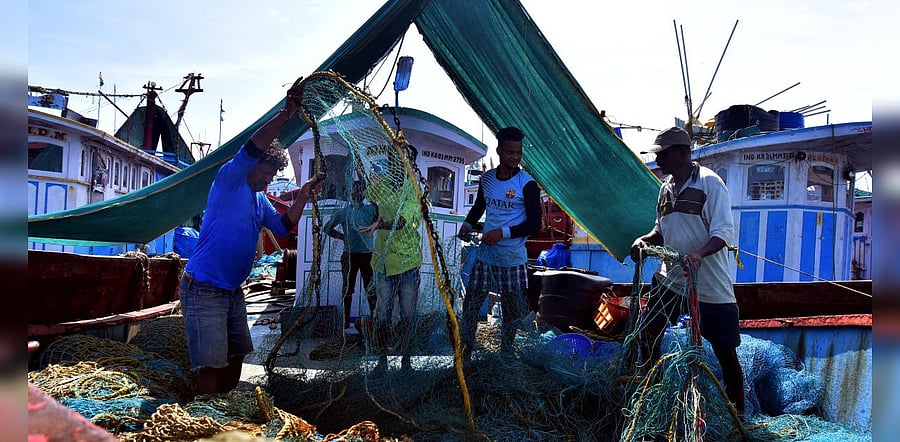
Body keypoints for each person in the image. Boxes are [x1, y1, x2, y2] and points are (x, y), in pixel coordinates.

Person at [180, 81, 324, 396]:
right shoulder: (230, 179)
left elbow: (284, 227)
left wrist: (304, 194)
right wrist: (285, 114)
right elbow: (252, 147)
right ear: (252, 166)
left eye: (273, 176)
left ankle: (226, 409)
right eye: (266, 173)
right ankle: (206, 415)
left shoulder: (259, 199)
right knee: (212, 364)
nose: (269, 179)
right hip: (203, 288)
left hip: (231, 291)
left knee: (236, 355)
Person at [630, 126, 745, 414]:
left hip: (708, 284)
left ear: (682, 153)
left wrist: (698, 255)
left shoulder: (710, 183)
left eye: (663, 155)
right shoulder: (664, 187)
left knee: (725, 352)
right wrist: (644, 240)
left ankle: (738, 415)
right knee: (648, 332)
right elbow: (661, 230)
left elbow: (723, 233)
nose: (659, 161)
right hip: (671, 278)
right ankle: (652, 395)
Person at [458, 126, 541, 359]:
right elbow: (479, 207)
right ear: (499, 150)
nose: (515, 157)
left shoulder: (528, 184)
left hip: (513, 259)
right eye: (510, 152)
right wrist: (467, 224)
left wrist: (502, 233)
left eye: (518, 153)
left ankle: (506, 353)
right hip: (486, 257)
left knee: (512, 312)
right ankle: (465, 353)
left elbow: (535, 225)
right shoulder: (487, 179)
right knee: (471, 306)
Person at [360, 144, 422, 371]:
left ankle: (406, 361)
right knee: (382, 314)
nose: (397, 164)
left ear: (410, 164)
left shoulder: (414, 190)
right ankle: (382, 361)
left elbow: (405, 221)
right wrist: (358, 160)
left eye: (402, 160)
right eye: (393, 159)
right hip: (383, 263)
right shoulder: (383, 185)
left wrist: (381, 224)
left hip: (408, 263)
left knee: (407, 315)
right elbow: (364, 192)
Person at [323, 181, 377, 332]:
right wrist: (343, 237)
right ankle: (348, 321)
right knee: (355, 288)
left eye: (359, 192)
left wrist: (342, 237)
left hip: (364, 256)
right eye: (357, 192)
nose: (357, 195)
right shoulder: (364, 210)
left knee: (365, 288)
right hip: (355, 256)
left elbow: (327, 228)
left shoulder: (365, 210)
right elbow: (327, 228)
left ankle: (359, 321)